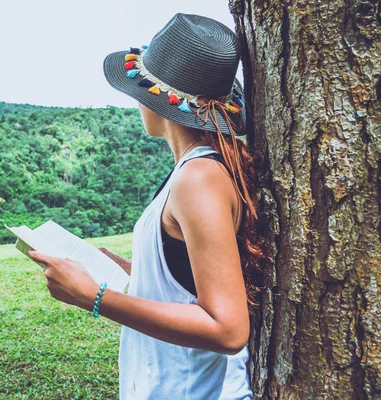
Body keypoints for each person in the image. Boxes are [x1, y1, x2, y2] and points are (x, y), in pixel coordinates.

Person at [28, 13, 268, 399]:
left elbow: (227, 328)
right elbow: (192, 280)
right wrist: (128, 270)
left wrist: (94, 298)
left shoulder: (197, 179)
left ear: (157, 101)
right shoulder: (198, 169)